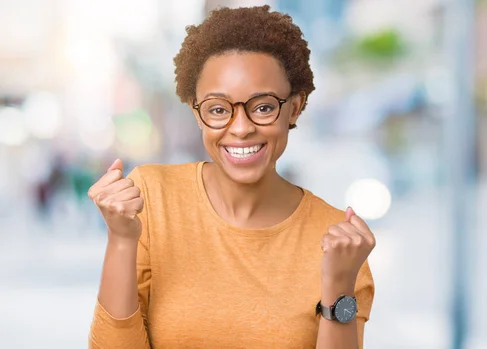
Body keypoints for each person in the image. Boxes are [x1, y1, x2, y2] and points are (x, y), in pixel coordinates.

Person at [88, 5, 375, 348]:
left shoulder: (338, 242)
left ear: (294, 108)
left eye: (264, 106)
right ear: (197, 113)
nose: (241, 128)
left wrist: (339, 285)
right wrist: (121, 241)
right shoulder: (152, 199)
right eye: (219, 109)